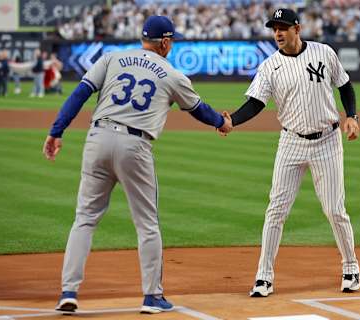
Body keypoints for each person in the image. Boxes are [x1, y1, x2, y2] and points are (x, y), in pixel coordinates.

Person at [43, 15, 232, 314]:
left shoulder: (112, 58)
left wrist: (56, 131)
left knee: (85, 219)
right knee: (147, 224)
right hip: (135, 145)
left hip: (98, 138)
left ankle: (68, 292)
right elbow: (199, 110)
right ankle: (152, 296)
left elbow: (79, 94)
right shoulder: (171, 74)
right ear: (166, 42)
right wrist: (223, 122)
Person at [225, 8, 360, 297]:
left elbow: (345, 86)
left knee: (335, 210)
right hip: (290, 143)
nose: (278, 33)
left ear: (297, 29)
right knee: (275, 210)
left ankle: (351, 266)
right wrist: (232, 121)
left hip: (327, 141)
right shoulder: (269, 66)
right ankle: (263, 277)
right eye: (274, 28)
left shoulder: (324, 53)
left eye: (283, 27)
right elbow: (255, 103)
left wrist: (352, 116)